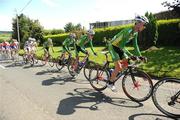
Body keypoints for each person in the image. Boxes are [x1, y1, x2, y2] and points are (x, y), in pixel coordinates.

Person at [106, 15, 149, 91]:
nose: (144, 26)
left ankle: (113, 72)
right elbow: (121, 46)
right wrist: (131, 55)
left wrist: (140, 56)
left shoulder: (135, 33)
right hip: (113, 46)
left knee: (126, 64)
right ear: (138, 23)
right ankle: (110, 82)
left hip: (119, 47)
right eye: (144, 24)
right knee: (119, 67)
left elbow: (135, 45)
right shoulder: (128, 31)